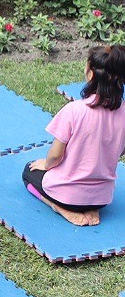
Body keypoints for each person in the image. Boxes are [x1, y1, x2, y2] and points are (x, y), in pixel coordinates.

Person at [23, 45, 125, 227]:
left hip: (66, 196)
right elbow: (120, 151)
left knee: (27, 172)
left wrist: (46, 165)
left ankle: (59, 208)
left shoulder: (74, 111)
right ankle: (91, 207)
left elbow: (55, 156)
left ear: (91, 74)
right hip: (102, 198)